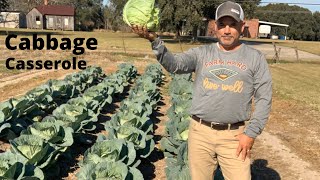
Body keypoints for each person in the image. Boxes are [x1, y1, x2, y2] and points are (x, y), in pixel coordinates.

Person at [132, 1, 272, 180]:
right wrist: (154, 41)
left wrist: (250, 133)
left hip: (234, 136)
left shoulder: (255, 58)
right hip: (200, 133)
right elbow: (175, 65)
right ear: (215, 27)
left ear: (242, 26)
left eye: (233, 25)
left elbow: (264, 98)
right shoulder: (202, 54)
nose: (227, 30)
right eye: (222, 25)